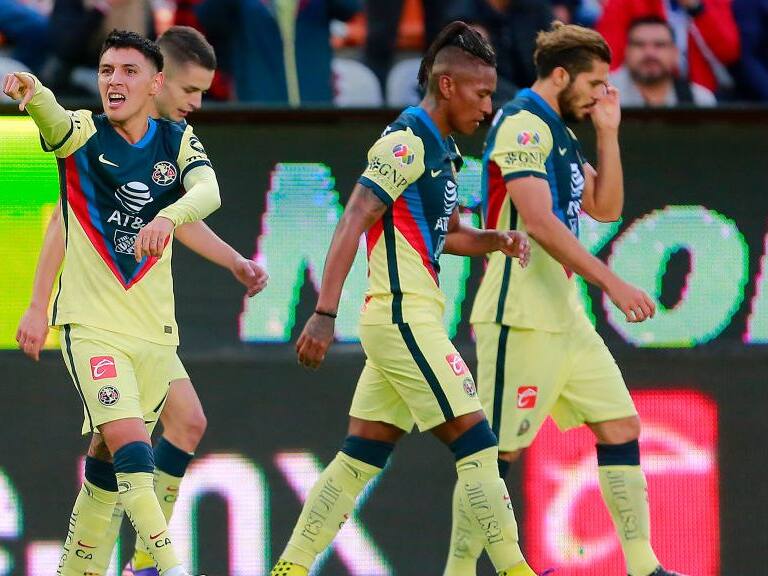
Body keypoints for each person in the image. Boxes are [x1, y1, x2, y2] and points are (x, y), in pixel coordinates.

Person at [269, 21, 543, 576]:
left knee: (359, 457)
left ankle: (290, 568)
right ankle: (516, 569)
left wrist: (493, 240)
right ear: (447, 86)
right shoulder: (405, 141)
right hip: (400, 315)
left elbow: (447, 234)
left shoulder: (442, 150)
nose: (488, 106)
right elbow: (354, 217)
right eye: (482, 93)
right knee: (478, 445)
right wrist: (324, 313)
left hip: (411, 316)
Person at [15, 26, 269, 576]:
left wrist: (230, 259)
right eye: (107, 71)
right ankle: (161, 566)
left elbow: (199, 202)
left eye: (127, 71)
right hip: (93, 325)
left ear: (152, 82)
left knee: (111, 460)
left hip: (153, 331)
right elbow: (56, 138)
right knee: (132, 444)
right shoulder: (85, 135)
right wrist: (33, 91)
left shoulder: (176, 141)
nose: (114, 81)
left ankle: (79, 570)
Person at [442, 22, 686, 576]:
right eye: (595, 83)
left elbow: (606, 208)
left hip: (563, 314)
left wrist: (609, 132)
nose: (603, 93)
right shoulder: (523, 125)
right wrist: (614, 284)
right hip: (519, 315)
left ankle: (644, 567)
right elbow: (539, 222)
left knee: (620, 425)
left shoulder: (560, 131)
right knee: (493, 456)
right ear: (559, 75)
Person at [195, 0, 360, 106]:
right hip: (259, 113)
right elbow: (208, 16)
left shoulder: (317, 5)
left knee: (315, 157)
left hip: (316, 110)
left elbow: (350, 7)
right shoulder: (245, 6)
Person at [596, 0, 740, 95]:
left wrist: (696, 8)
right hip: (639, 90)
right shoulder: (626, 3)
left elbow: (729, 52)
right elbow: (607, 56)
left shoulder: (713, 3)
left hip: (701, 94)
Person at [610, 16, 716, 106]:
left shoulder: (700, 100)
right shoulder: (602, 94)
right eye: (639, 44)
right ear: (626, 51)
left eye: (659, 45)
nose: (649, 53)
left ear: (675, 53)